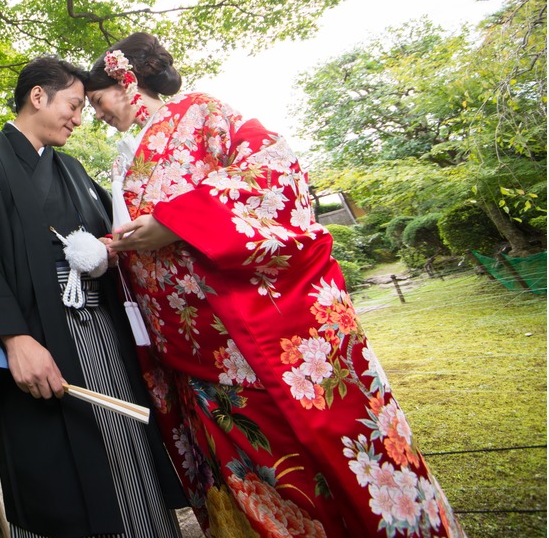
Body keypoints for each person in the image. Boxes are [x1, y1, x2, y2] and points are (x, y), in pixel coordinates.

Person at [84, 32, 466, 538]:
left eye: (98, 99)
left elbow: (274, 173)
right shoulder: (120, 161)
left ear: (125, 80)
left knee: (309, 468)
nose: (98, 113)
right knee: (246, 486)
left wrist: (177, 221)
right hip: (189, 351)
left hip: (250, 341)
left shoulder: (201, 113)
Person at [0, 56, 187, 538]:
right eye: (73, 104)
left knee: (126, 448)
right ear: (37, 97)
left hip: (100, 336)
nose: (79, 116)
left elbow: (113, 240)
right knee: (51, 472)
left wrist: (107, 251)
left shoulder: (71, 170)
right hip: (32, 343)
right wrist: (13, 341)